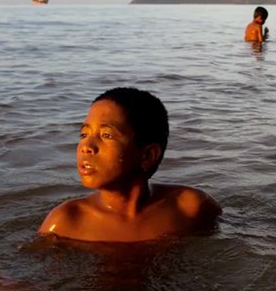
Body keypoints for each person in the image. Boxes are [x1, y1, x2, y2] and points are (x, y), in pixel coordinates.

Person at [39, 87, 222, 242]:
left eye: (106, 135)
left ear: (147, 155)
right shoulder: (65, 222)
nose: (86, 147)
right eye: (84, 135)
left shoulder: (190, 207)